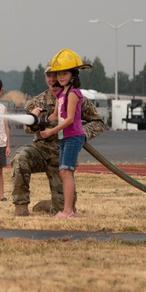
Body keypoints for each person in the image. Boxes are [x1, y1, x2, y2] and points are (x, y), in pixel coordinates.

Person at [11, 62, 105, 216]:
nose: (53, 79)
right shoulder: (37, 101)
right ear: (45, 77)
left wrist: (81, 134)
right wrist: (34, 119)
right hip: (40, 149)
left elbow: (99, 122)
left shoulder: (75, 97)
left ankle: (49, 204)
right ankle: (21, 206)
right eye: (49, 75)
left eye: (57, 74)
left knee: (63, 208)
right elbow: (27, 128)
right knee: (20, 158)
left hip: (63, 152)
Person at [37, 48, 89, 218]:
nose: (59, 77)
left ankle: (68, 210)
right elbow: (55, 115)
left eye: (64, 73)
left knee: (66, 172)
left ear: (73, 75)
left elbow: (69, 119)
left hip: (73, 136)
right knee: (63, 171)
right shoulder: (61, 94)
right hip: (64, 137)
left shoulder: (73, 94)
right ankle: (66, 209)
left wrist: (52, 130)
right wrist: (39, 119)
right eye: (58, 73)